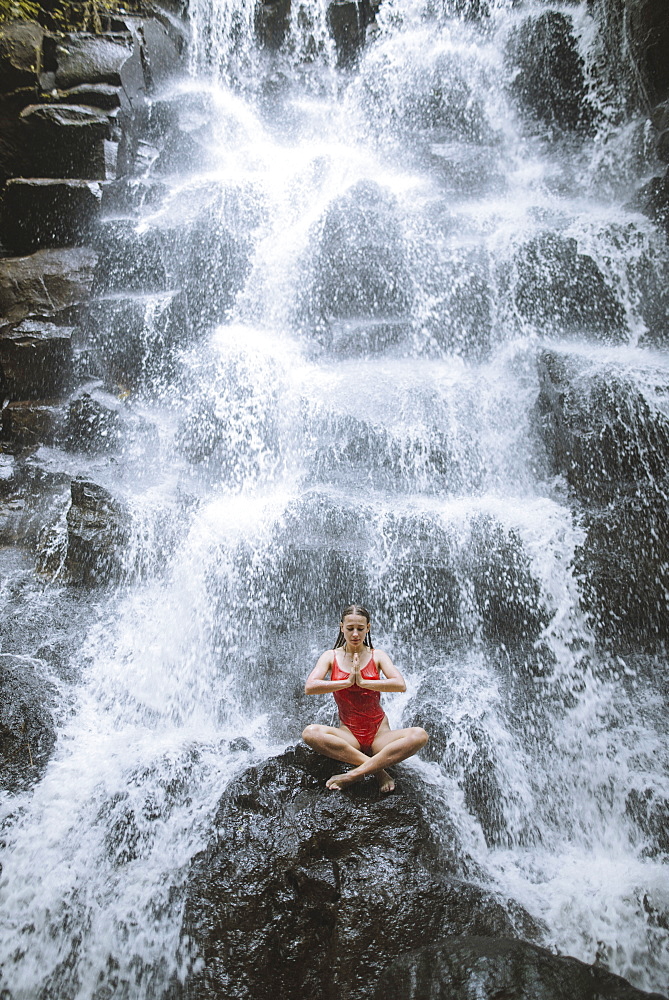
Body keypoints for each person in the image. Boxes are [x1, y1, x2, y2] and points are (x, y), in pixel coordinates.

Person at [302, 604, 428, 793]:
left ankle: (352, 775)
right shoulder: (330, 656)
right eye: (350, 628)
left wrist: (363, 682)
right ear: (341, 627)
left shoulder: (377, 655)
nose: (355, 634)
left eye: (360, 629)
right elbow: (310, 687)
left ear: (368, 628)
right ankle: (378, 771)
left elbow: (400, 684)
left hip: (379, 735)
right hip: (349, 735)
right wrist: (346, 682)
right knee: (309, 733)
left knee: (420, 735)